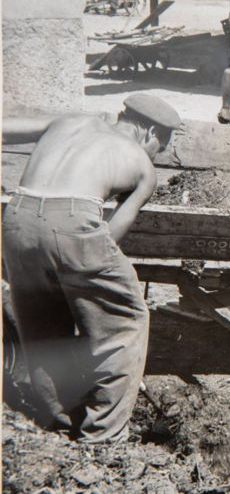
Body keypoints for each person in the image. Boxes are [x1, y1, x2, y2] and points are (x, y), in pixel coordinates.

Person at [2, 94, 181, 443]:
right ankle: (103, 438)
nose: (159, 151)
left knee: (43, 331)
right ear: (149, 131)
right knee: (125, 323)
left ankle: (54, 426)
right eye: (164, 142)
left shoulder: (68, 121)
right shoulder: (143, 167)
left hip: (16, 218)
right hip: (74, 224)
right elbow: (108, 240)